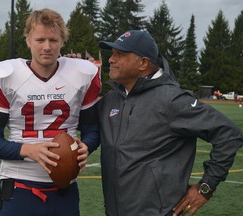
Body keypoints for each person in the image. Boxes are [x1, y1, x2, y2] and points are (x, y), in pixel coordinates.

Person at [96, 30, 243, 216]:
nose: (111, 59)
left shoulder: (172, 100)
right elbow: (81, 126)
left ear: (143, 63)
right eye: (112, 54)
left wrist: (205, 187)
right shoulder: (111, 99)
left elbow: (228, 135)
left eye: (120, 54)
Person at [0, 8, 101, 216]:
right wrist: (29, 150)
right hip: (19, 185)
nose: (47, 47)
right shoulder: (5, 76)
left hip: (65, 189)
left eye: (53, 40)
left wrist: (85, 147)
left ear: (62, 40)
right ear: (28, 40)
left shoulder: (82, 74)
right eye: (40, 40)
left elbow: (92, 131)